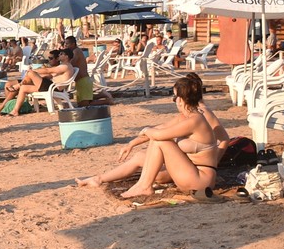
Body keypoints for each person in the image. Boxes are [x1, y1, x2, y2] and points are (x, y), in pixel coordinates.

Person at [76, 72, 227, 197]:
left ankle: (144, 185)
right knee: (143, 154)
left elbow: (159, 135)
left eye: (174, 97)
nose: (174, 101)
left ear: (180, 99)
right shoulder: (186, 116)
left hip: (200, 179)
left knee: (160, 140)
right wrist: (132, 143)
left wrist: (147, 130)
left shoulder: (197, 119)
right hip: (189, 170)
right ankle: (99, 179)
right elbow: (159, 129)